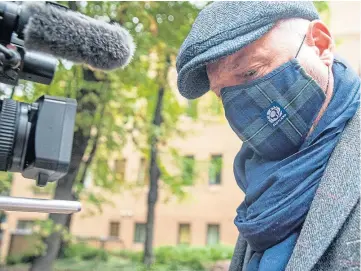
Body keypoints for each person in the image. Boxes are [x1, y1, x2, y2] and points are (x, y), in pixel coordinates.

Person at [176, 2, 360, 271]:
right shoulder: (261, 183)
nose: (239, 104)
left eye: (251, 72)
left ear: (320, 45)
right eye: (222, 94)